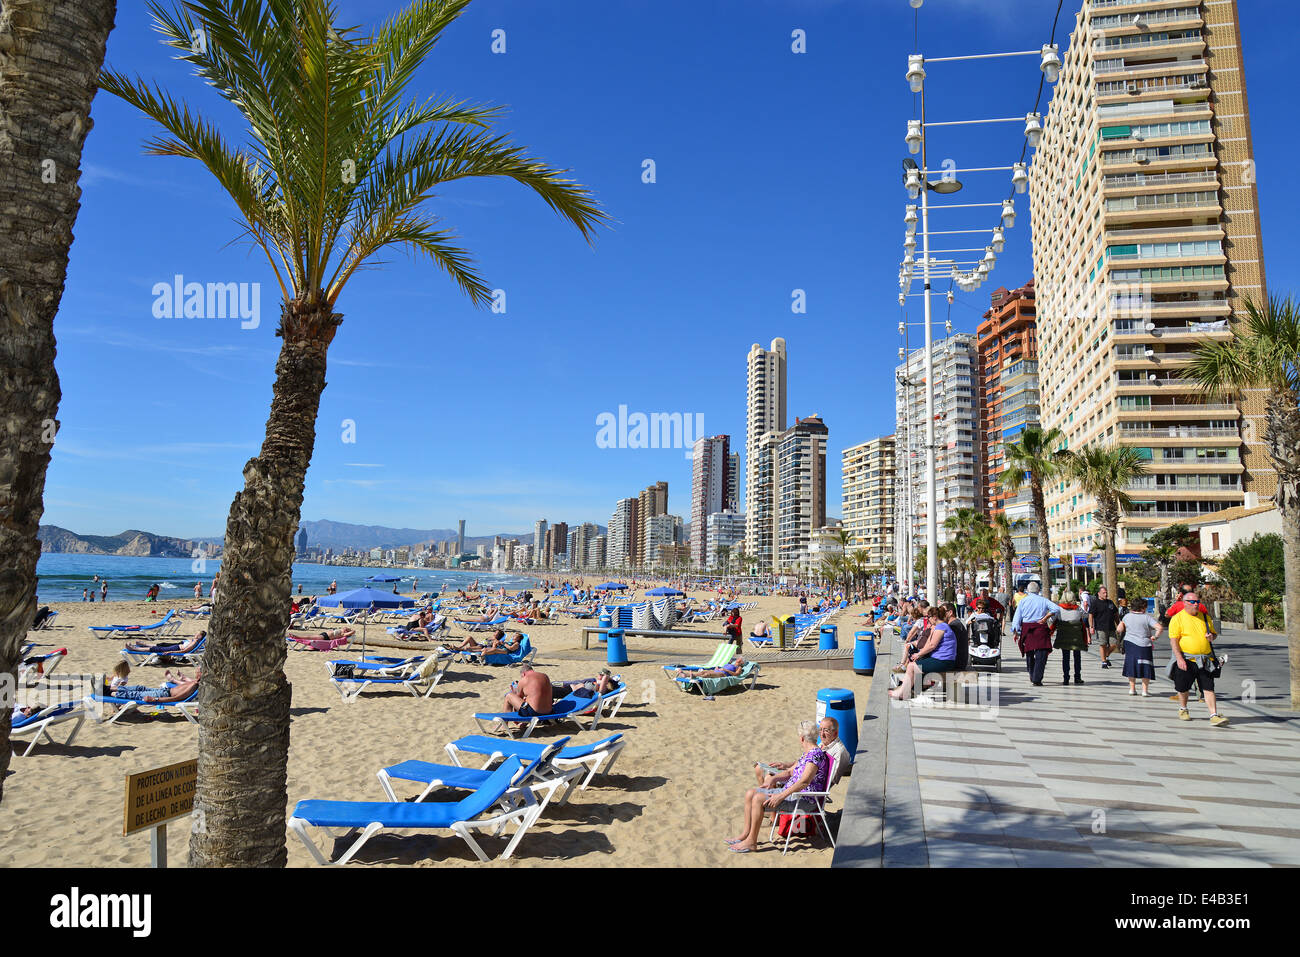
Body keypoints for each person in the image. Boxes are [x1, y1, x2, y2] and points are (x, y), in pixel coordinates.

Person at [729, 719, 828, 853]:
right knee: (750, 793)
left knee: (758, 799)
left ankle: (751, 842)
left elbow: (804, 782)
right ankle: (745, 834)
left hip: (804, 800)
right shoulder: (808, 753)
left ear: (802, 738)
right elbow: (790, 772)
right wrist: (773, 779)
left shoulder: (815, 755)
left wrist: (780, 796)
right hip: (792, 794)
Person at [1168, 591, 1227, 726]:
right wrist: (1179, 659)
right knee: (1183, 687)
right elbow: (1174, 641)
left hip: (1205, 660)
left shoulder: (1205, 618)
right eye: (1193, 602)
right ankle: (1183, 709)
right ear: (1185, 603)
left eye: (1198, 602)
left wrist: (1212, 637)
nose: (1196, 605)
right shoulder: (1177, 618)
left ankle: (1213, 714)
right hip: (1187, 658)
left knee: (1209, 687)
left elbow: (1213, 634)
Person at [889, 605, 957, 700]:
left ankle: (903, 692)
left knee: (912, 666)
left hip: (943, 661)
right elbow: (929, 643)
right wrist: (920, 653)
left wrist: (919, 654)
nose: (927, 619)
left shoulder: (942, 627)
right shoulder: (939, 627)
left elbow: (932, 645)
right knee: (913, 665)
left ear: (934, 617)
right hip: (941, 659)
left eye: (928, 617)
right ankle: (905, 689)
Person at [1010, 581, 1062, 687]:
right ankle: (1037, 678)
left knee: (1029, 653)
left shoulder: (1023, 601)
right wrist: (1045, 618)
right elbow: (1056, 608)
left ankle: (1031, 673)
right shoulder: (1043, 600)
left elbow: (1017, 617)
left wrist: (1016, 631)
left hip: (1027, 629)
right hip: (1040, 628)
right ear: (1038, 590)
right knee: (1041, 655)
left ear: (1027, 591)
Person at [1117, 597, 1162, 696]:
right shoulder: (1147, 617)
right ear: (1143, 607)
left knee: (1131, 664)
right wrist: (1155, 636)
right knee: (1145, 665)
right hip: (1144, 644)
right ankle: (1145, 690)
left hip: (1130, 643)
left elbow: (1119, 629)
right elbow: (1159, 627)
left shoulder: (1127, 616)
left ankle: (1132, 688)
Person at [1054, 591, 1089, 685]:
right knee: (1077, 657)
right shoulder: (1078, 609)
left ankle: (1066, 678)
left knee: (1065, 657)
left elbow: (1053, 619)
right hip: (1076, 637)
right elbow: (1085, 615)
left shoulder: (1059, 609)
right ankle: (1077, 676)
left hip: (1064, 637)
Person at [1089, 585, 1121, 669]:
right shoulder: (1095, 603)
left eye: (1106, 592)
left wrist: (1119, 624)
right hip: (1101, 627)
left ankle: (1106, 654)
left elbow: (1115, 614)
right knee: (1103, 644)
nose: (1106, 594)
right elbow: (1091, 615)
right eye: (1104, 593)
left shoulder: (1110, 602)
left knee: (1114, 644)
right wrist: (1091, 626)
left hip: (1111, 627)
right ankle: (1104, 661)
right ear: (1099, 594)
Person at [124, 631, 205, 654]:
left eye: (197, 634)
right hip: (177, 646)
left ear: (200, 637)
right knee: (157, 648)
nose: (196, 634)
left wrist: (171, 651)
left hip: (176, 648)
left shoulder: (195, 643)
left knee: (156, 649)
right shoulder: (194, 641)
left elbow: (185, 651)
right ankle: (136, 647)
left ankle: (134, 649)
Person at [671, 657, 745, 680]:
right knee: (704, 671)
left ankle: (692, 676)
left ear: (741, 661)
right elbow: (723, 667)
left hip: (724, 674)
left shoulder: (739, 667)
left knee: (708, 674)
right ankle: (685, 674)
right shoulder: (731, 663)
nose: (738, 658)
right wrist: (718, 668)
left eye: (739, 658)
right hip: (719, 670)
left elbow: (736, 674)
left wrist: (725, 670)